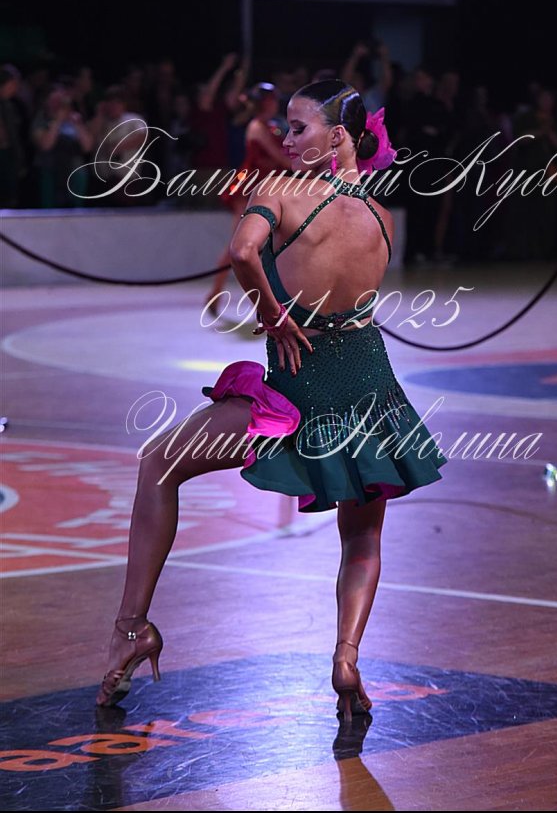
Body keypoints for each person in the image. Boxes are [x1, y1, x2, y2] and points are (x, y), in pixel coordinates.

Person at [96, 79, 447, 721]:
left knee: (158, 463)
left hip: (297, 386)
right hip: (368, 386)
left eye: (298, 127)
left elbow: (241, 251)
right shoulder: (381, 214)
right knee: (362, 535)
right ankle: (346, 656)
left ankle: (131, 629)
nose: (286, 139)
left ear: (337, 137)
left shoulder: (279, 192)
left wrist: (271, 312)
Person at [204, 82, 291, 314]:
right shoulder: (257, 127)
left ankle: (263, 298)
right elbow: (280, 158)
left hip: (266, 188)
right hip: (249, 188)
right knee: (239, 244)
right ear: (265, 103)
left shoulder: (272, 126)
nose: (276, 103)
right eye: (272, 100)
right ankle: (215, 292)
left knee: (264, 245)